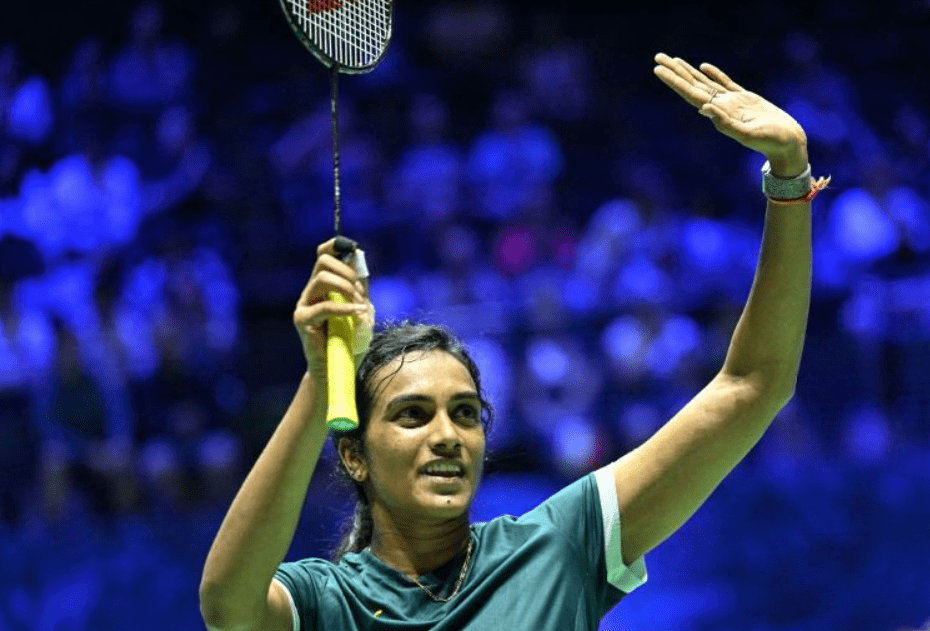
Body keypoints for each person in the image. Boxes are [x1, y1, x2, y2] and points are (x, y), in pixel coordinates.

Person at [199, 53, 829, 630]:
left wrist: (789, 177)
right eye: (412, 415)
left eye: (466, 413)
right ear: (355, 456)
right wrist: (320, 381)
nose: (447, 434)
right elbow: (228, 604)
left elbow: (752, 385)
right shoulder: (327, 600)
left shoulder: (558, 548)